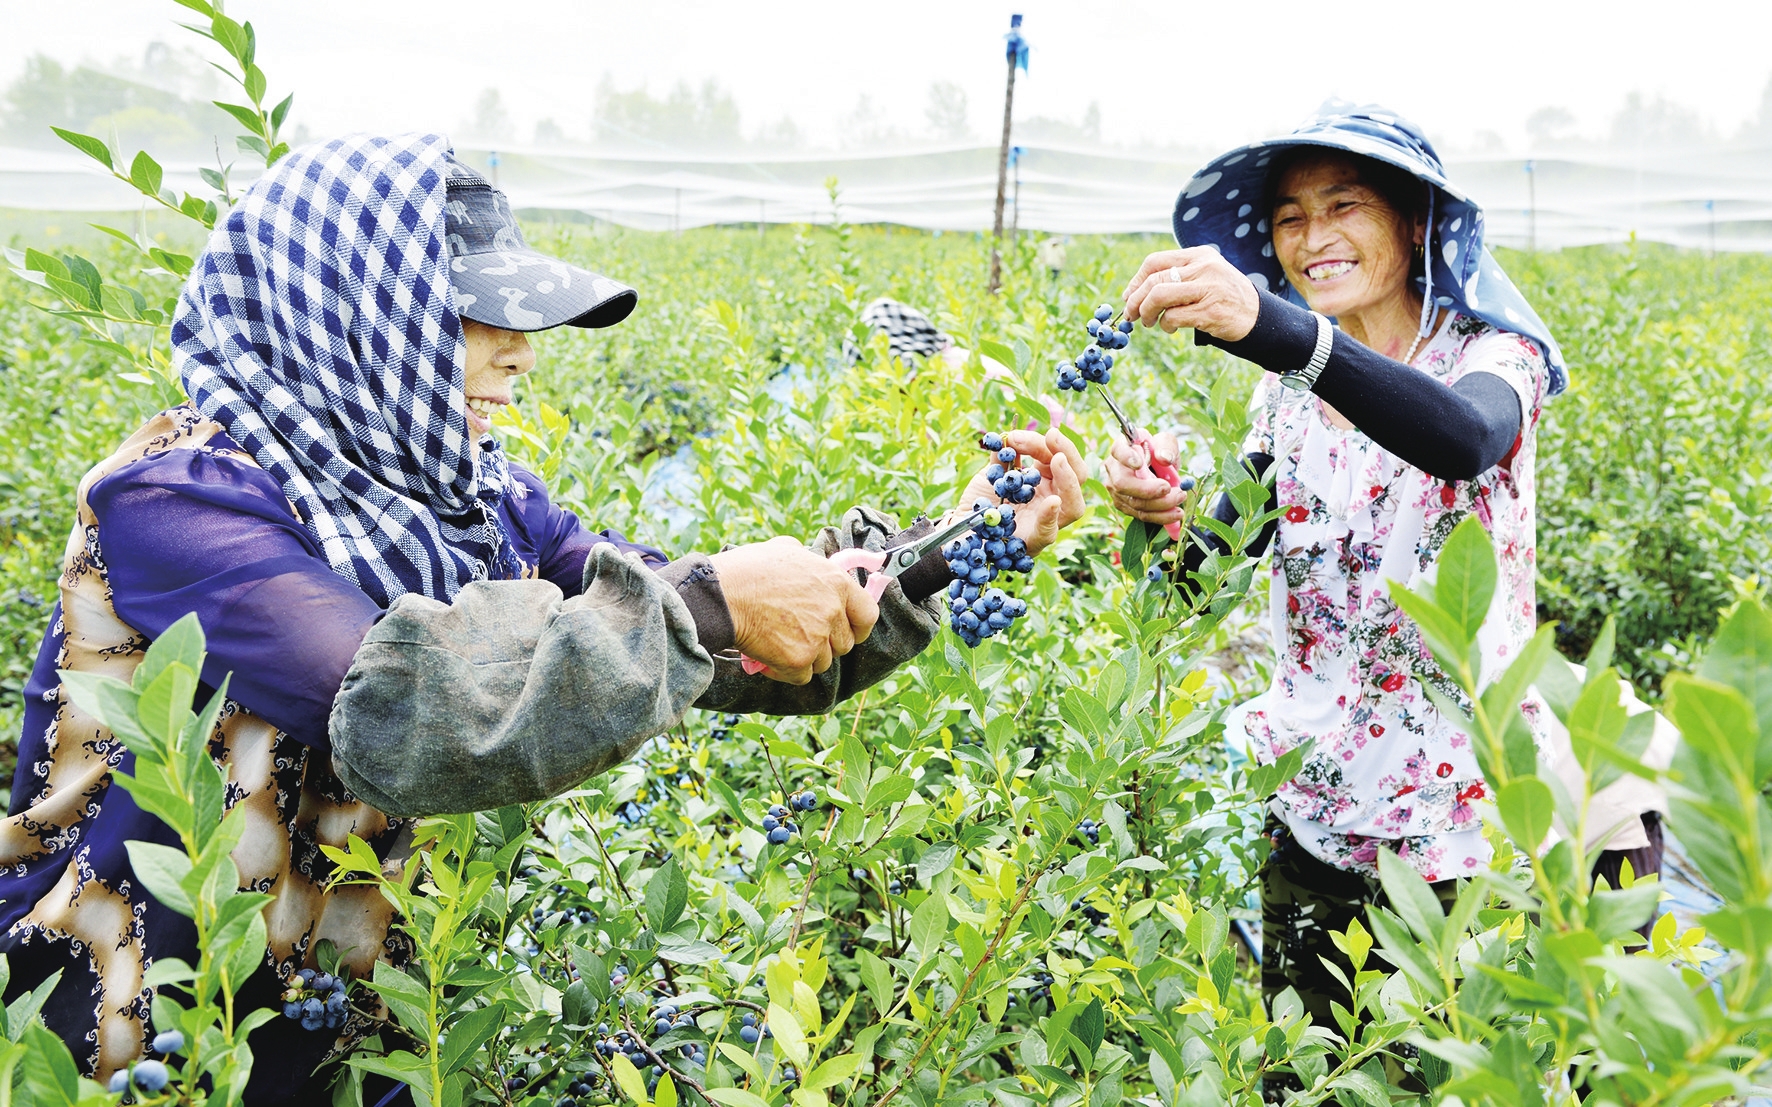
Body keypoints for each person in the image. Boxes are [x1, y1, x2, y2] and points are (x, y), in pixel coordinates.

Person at [0, 134, 1084, 1097]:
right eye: (473, 314)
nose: (520, 349)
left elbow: (678, 625)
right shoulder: (175, 496)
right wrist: (713, 599)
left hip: (353, 1032)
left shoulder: (473, 502)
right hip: (135, 1035)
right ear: (350, 309)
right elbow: (405, 701)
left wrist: (952, 544)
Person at [1100, 103, 1583, 1038]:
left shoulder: (1494, 358)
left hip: (1461, 826)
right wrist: (1158, 515)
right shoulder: (1285, 401)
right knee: (1310, 1066)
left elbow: (1461, 438)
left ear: (1416, 221)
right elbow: (1201, 581)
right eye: (1290, 217)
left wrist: (1282, 334)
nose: (1312, 237)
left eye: (1343, 205)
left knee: (1456, 1074)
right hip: (1315, 810)